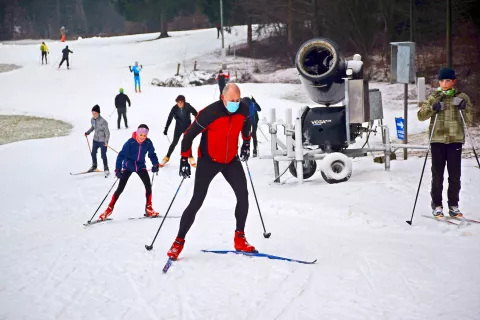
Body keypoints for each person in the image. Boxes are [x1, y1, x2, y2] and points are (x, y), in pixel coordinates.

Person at [166, 83, 254, 261]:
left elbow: (246, 124)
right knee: (197, 201)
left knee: (243, 195)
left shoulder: (243, 109)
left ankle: (239, 238)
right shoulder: (210, 113)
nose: (235, 103)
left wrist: (246, 142)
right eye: (231, 100)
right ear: (223, 98)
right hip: (208, 161)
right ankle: (178, 242)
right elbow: (188, 135)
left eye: (237, 100)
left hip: (230, 160)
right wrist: (184, 158)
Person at [417, 67, 473, 218]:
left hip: (455, 141)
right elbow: (420, 116)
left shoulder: (462, 97)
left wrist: (464, 107)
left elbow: (469, 119)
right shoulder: (434, 97)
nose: (444, 83)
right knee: (437, 175)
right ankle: (437, 205)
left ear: (453, 81)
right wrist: (432, 107)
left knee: (454, 176)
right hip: (437, 140)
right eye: (442, 80)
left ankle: (453, 205)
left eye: (448, 80)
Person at [98, 124, 160, 221]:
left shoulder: (148, 143)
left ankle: (149, 208)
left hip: (140, 166)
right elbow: (120, 156)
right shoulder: (130, 143)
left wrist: (155, 164)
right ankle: (109, 209)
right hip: (128, 166)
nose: (143, 137)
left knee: (148, 186)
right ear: (137, 133)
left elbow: (152, 154)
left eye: (145, 135)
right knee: (120, 188)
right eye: (141, 135)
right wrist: (118, 170)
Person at [162, 95, 198, 166]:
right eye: (178, 102)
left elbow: (196, 114)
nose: (180, 104)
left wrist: (197, 124)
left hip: (187, 127)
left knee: (188, 142)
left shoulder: (188, 106)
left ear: (184, 102)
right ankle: (167, 157)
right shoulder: (174, 108)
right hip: (178, 128)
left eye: (181, 102)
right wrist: (166, 129)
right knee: (174, 143)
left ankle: (190, 157)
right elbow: (169, 119)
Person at [85, 105, 110, 174]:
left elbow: (107, 133)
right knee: (93, 153)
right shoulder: (92, 119)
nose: (94, 115)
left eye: (95, 113)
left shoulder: (103, 121)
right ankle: (94, 166)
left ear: (98, 113)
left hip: (102, 141)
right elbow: (93, 127)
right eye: (92, 113)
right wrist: (88, 132)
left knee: (103, 154)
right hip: (95, 139)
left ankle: (106, 168)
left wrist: (106, 141)